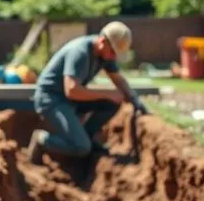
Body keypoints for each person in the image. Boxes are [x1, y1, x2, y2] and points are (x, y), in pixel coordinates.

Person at [26, 21, 147, 164]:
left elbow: (118, 79)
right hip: (51, 99)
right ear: (102, 41)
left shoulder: (105, 54)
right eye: (113, 52)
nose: (113, 57)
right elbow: (71, 90)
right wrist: (107, 93)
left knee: (111, 103)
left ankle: (87, 136)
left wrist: (135, 101)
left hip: (67, 98)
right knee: (82, 147)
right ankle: (41, 139)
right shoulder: (80, 52)